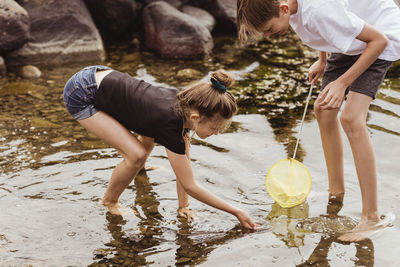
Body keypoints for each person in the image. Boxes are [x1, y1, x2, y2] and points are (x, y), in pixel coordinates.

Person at [236, 0, 400, 241]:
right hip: (352, 40)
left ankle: (372, 217)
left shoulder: (318, 11)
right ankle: (336, 192)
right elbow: (322, 31)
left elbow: (378, 41)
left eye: (269, 29)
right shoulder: (289, 8)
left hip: (378, 37)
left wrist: (342, 82)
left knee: (351, 119)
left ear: (282, 9)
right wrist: (323, 60)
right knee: (323, 110)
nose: (269, 36)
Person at [63, 65, 258, 229]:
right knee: (136, 155)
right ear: (196, 118)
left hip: (100, 76)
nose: (216, 133)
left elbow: (184, 162)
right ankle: (109, 201)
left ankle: (139, 171)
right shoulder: (170, 123)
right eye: (215, 128)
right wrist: (235, 211)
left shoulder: (185, 103)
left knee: (148, 134)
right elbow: (190, 185)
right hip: (82, 93)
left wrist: (183, 206)